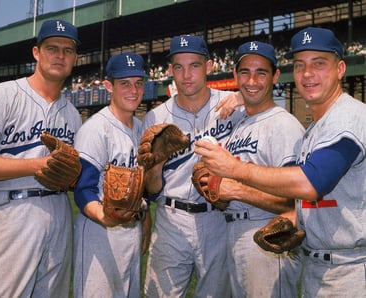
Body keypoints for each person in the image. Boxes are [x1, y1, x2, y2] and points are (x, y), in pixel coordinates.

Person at [195, 27, 366, 297]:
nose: (308, 74)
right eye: (300, 65)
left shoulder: (350, 117)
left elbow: (312, 182)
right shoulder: (317, 128)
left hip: (351, 267)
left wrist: (235, 171)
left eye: (319, 64)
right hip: (318, 263)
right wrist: (295, 216)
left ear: (340, 69)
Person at [0, 19, 82, 297]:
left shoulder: (73, 115)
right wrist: (36, 165)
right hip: (11, 213)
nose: (60, 56)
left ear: (75, 58)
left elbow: (76, 175)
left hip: (59, 211)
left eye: (68, 50)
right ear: (36, 53)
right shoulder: (4, 95)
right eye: (52, 48)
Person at [142, 35, 244, 297]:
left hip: (219, 219)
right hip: (171, 220)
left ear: (209, 67)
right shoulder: (156, 117)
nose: (186, 75)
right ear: (170, 70)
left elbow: (267, 102)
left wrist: (245, 98)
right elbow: (150, 192)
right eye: (179, 66)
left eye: (194, 65)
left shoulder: (233, 105)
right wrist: (155, 168)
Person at [217, 41, 304, 297]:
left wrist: (238, 191)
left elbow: (295, 201)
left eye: (261, 72)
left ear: (275, 76)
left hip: (268, 236)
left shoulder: (283, 125)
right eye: (245, 72)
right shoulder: (241, 125)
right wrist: (218, 192)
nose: (251, 80)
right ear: (235, 75)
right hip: (234, 232)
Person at [72, 52, 152, 298]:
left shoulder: (141, 129)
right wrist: (105, 217)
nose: (133, 90)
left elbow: (143, 188)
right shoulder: (96, 129)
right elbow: (83, 188)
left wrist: (145, 220)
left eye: (138, 83)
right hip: (99, 232)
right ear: (109, 86)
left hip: (131, 230)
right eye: (124, 83)